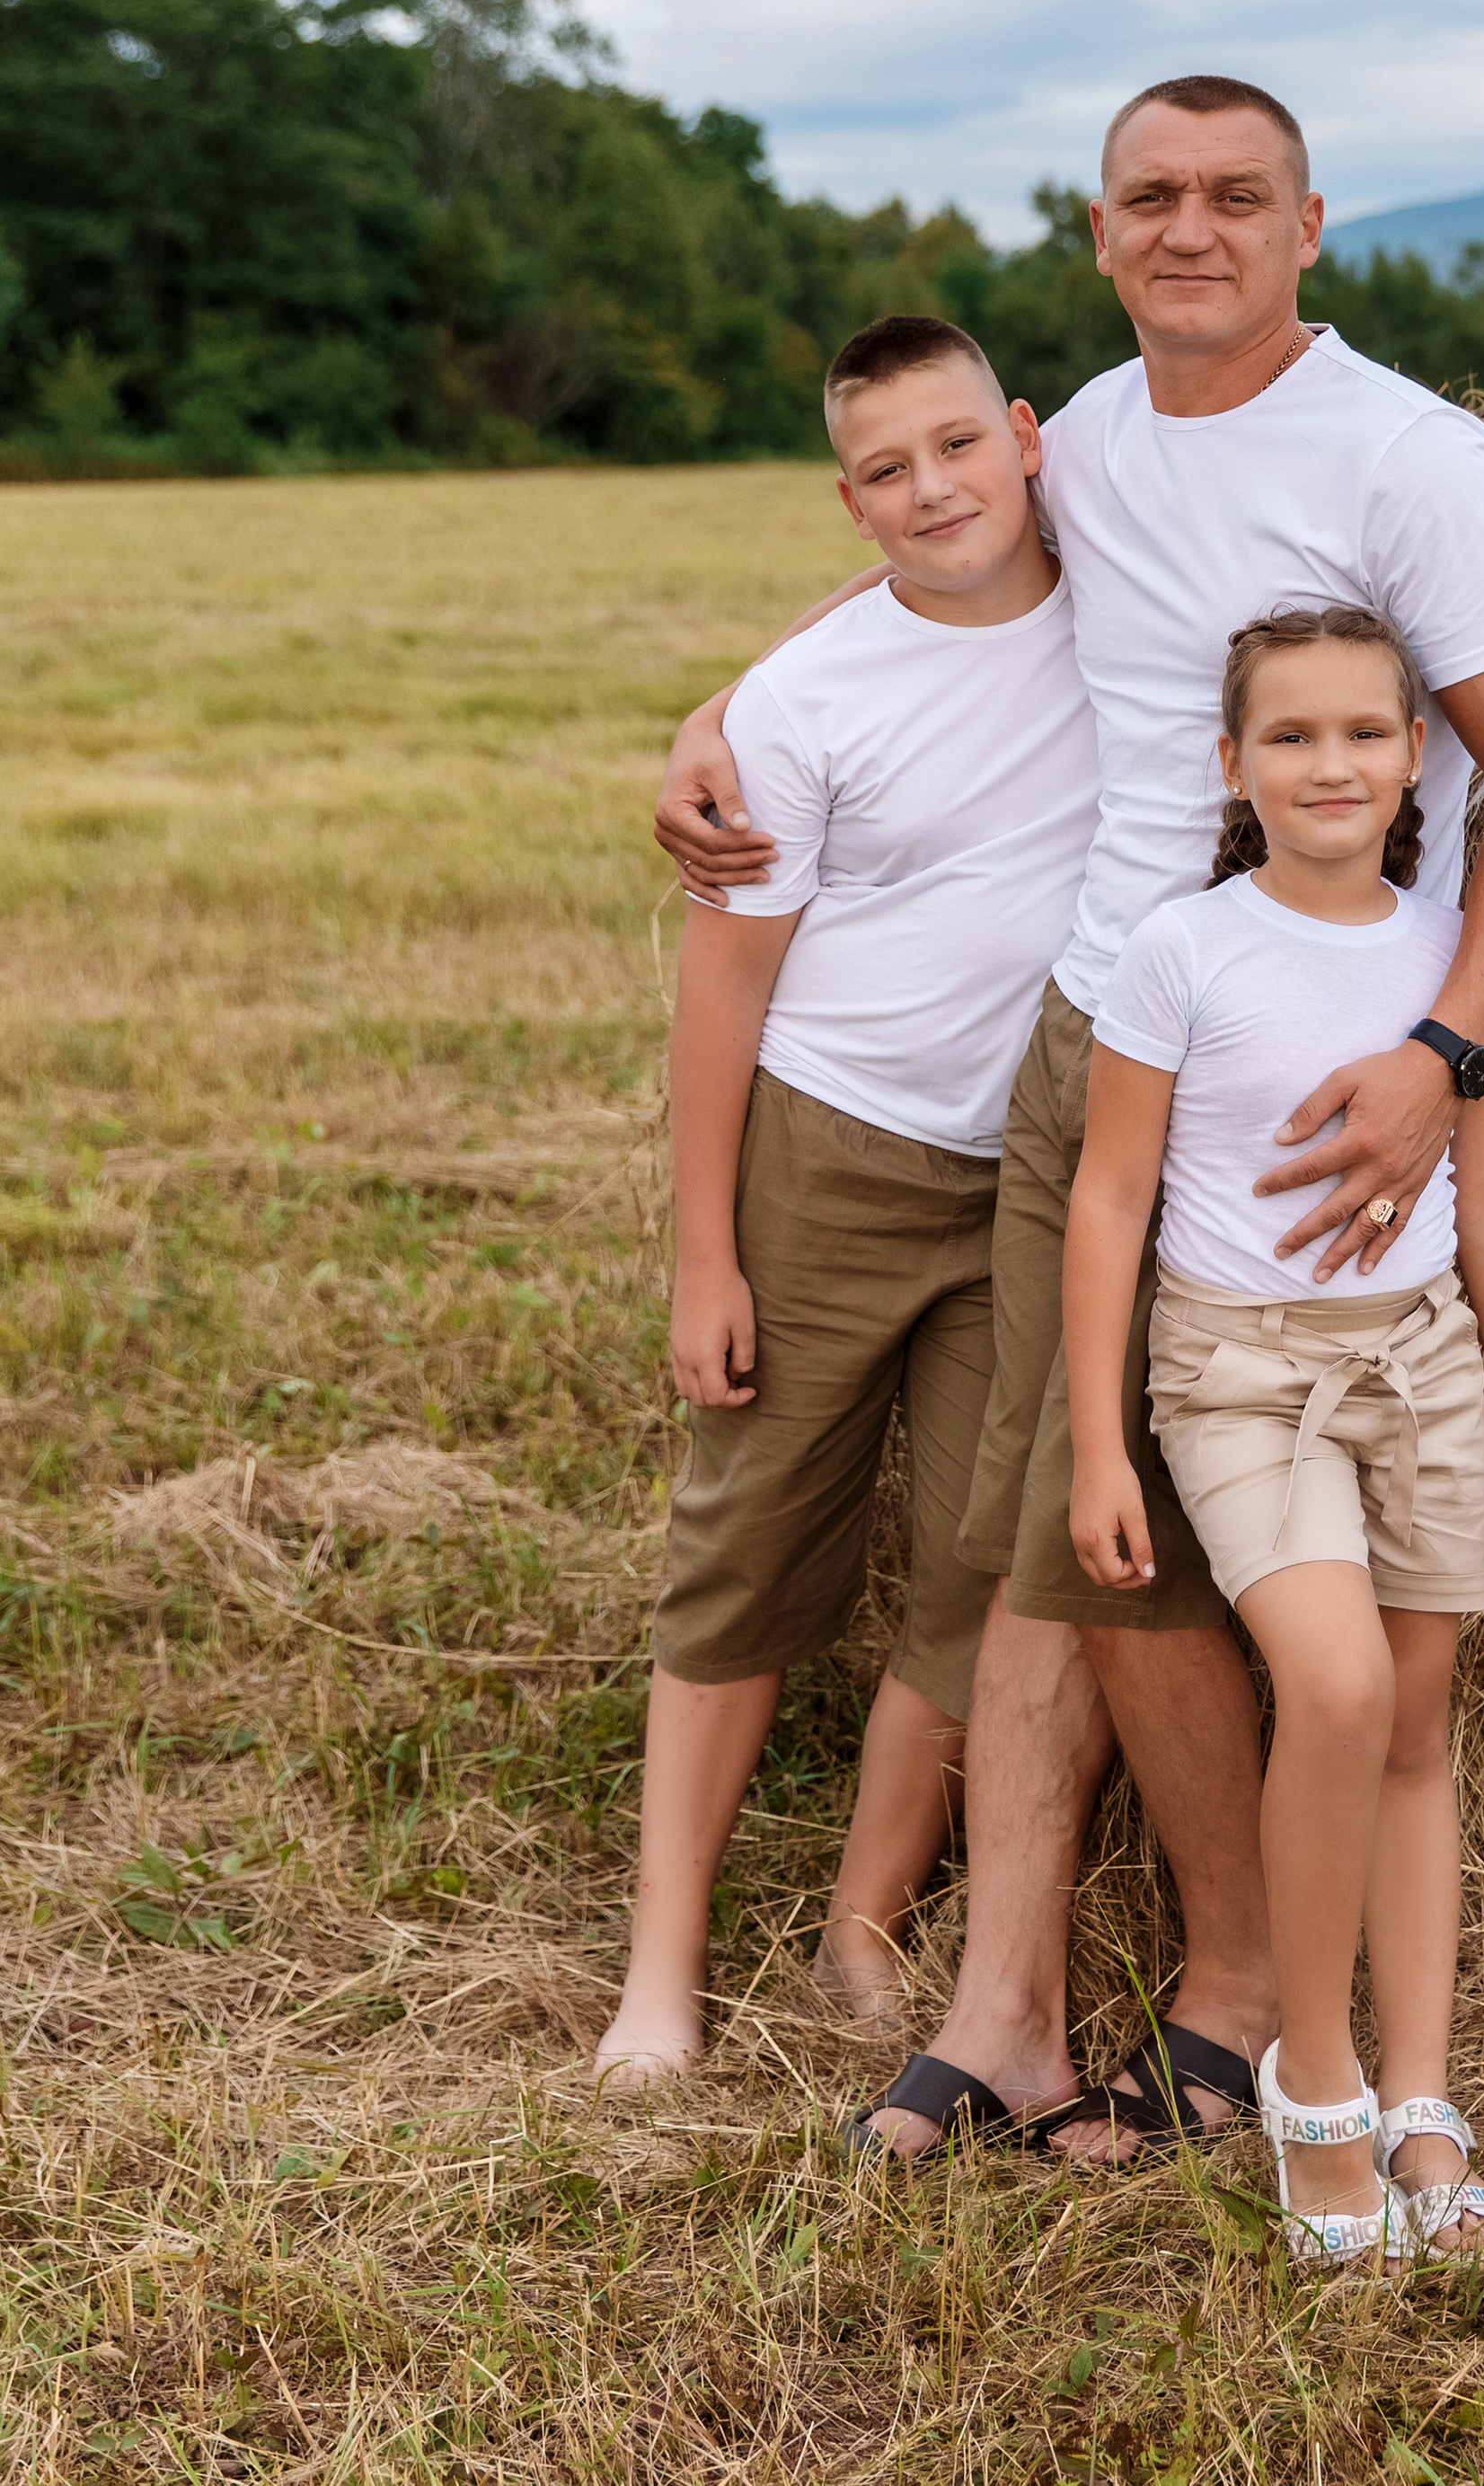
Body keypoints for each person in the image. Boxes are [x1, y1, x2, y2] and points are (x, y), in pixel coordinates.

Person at [656, 75, 1484, 2163]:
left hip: (1327, 1064)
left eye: (1234, 195)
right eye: (1149, 196)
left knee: (1203, 1533)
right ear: (1096, 234)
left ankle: (1238, 1981)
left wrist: (1442, 1055)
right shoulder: (1082, 432)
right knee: (1073, 1524)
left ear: (1307, 225)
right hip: (1099, 1040)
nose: (1190, 229)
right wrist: (726, 712)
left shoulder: (1400, 456)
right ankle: (1029, 1999)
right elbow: (926, 561)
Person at [592, 313, 1100, 2090]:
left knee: (979, 1564)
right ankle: (660, 1973)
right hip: (832, 1146)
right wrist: (705, 1259)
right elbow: (723, 986)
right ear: (849, 503)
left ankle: (863, 1930)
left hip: (1038, 1169)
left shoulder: (1125, 602)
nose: (932, 488)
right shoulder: (809, 702)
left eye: (957, 446)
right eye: (886, 469)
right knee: (747, 1542)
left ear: (1025, 438)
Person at [1066, 604, 1484, 2263]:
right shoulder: (1185, 951)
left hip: (1423, 1367)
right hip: (1240, 1376)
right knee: (1340, 1686)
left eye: (1364, 732)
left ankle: (1423, 2103)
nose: (1330, 764)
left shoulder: (1452, 958)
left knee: (1413, 1729)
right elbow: (1110, 1199)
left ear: (1418, 755)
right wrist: (1098, 1448)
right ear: (1233, 766)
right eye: (1290, 736)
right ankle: (1320, 2084)